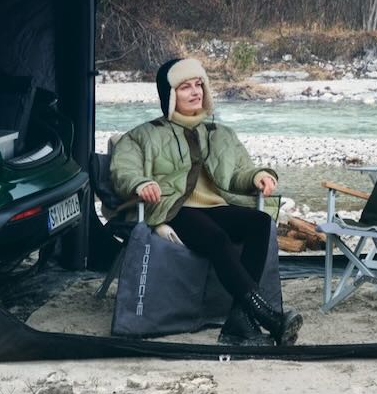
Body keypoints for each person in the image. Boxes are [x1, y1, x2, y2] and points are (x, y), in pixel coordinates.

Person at [110, 57, 303, 347]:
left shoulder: (221, 134)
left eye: (198, 84)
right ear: (170, 94)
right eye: (185, 87)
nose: (195, 92)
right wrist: (141, 183)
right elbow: (123, 171)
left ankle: (240, 320)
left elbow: (239, 172)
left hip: (215, 206)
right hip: (172, 208)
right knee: (216, 238)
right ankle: (267, 317)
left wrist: (258, 176)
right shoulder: (142, 136)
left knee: (261, 222)